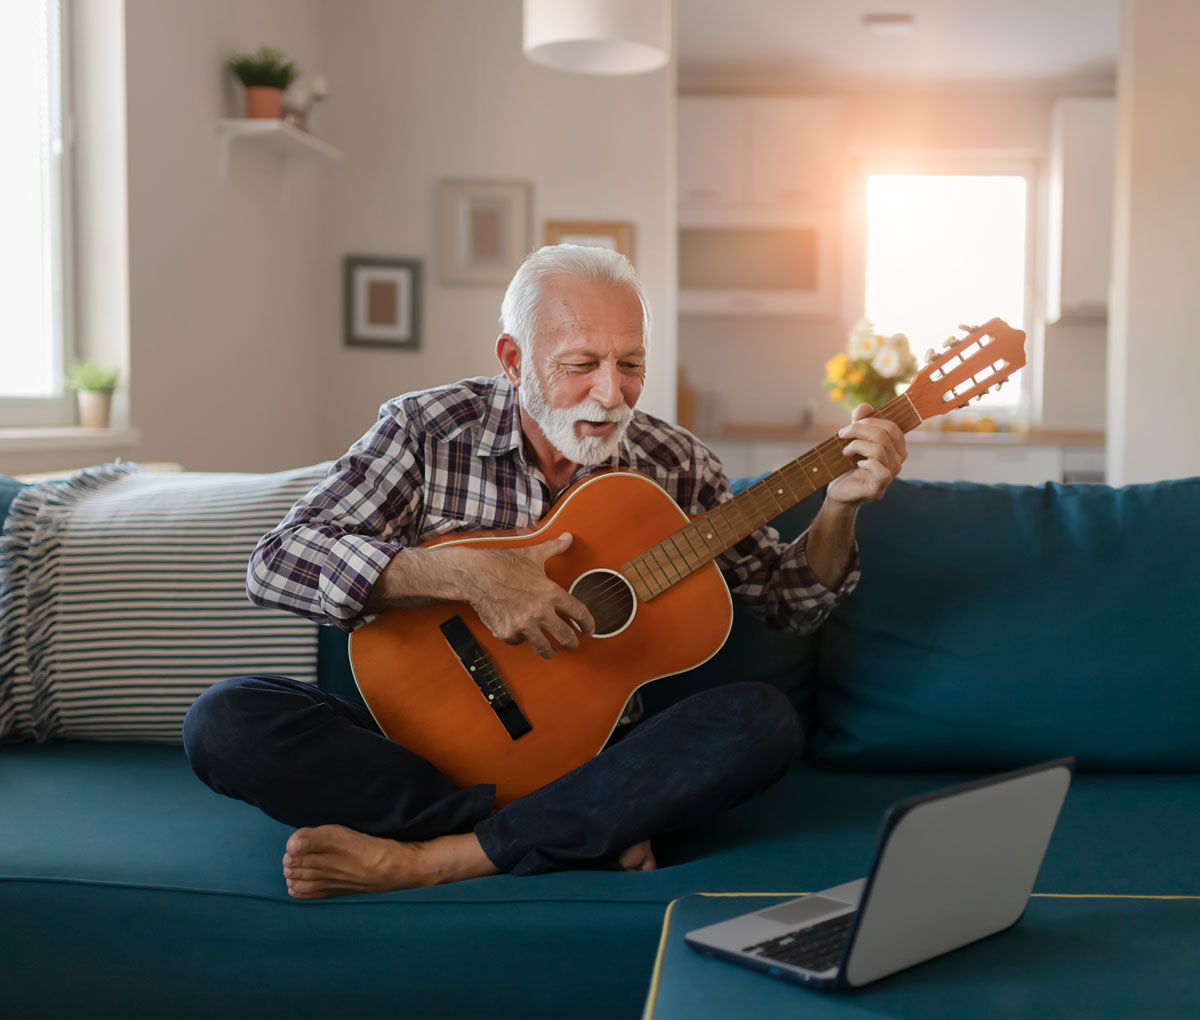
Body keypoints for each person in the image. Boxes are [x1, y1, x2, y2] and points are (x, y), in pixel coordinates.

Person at [182, 244, 907, 900]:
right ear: (513, 359)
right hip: (404, 758)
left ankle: (437, 859)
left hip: (589, 760)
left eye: (630, 364)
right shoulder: (426, 430)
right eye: (581, 365)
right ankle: (562, 835)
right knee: (225, 720)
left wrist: (839, 508)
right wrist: (466, 576)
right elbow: (278, 563)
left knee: (763, 722)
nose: (611, 394)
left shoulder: (676, 463)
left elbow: (792, 603)